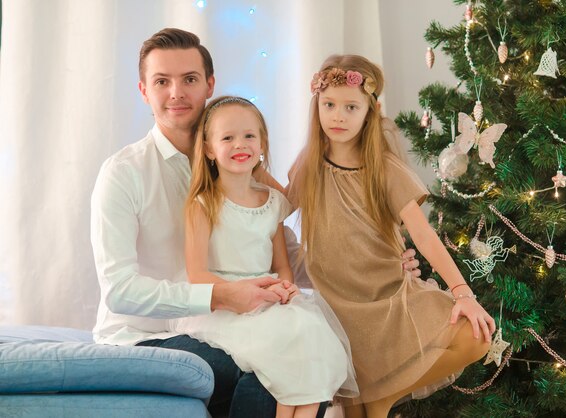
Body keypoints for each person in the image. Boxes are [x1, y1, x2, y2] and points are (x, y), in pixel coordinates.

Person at [90, 27, 421, 417]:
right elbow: (120, 290)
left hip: (231, 321)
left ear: (209, 84)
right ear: (144, 90)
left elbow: (287, 257)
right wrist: (221, 295)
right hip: (147, 335)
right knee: (269, 366)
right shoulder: (124, 173)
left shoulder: (240, 165)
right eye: (162, 81)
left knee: (306, 349)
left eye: (190, 79)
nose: (177, 92)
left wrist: (375, 266)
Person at [288, 55, 497, 418]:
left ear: (370, 111)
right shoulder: (308, 164)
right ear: (316, 106)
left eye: (350, 107)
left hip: (389, 296)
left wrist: (463, 292)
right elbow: (270, 208)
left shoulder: (383, 169)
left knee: (475, 336)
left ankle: (386, 396)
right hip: (338, 309)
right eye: (329, 105)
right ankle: (377, 399)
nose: (338, 116)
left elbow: (425, 236)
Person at [171, 95, 358, 418]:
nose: (239, 144)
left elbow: (282, 267)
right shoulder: (203, 204)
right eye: (227, 137)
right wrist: (250, 292)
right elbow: (197, 275)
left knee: (312, 336)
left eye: (248, 136)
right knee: (290, 353)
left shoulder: (272, 202)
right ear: (209, 149)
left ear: (262, 144)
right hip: (225, 305)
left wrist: (285, 288)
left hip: (269, 299)